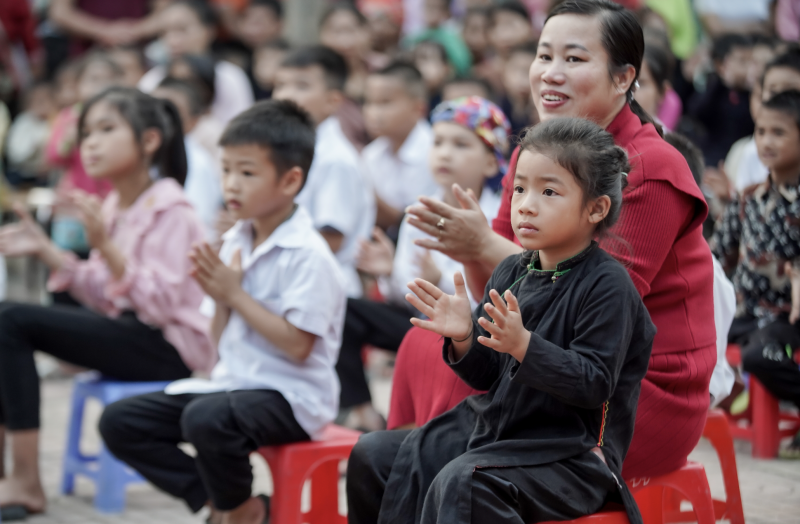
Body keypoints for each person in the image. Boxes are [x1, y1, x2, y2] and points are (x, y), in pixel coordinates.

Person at [404, 0, 715, 480]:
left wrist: (482, 244)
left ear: (622, 78)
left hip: (628, 390)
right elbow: (503, 289)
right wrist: (473, 252)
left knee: (458, 426)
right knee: (427, 345)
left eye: (573, 59)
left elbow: (598, 304)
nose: (550, 73)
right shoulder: (537, 151)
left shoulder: (652, 166)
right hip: (535, 358)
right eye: (544, 56)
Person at [347, 117, 655, 524]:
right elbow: (488, 374)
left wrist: (524, 346)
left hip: (568, 453)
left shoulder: (608, 285)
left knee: (465, 482)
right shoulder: (514, 269)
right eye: (522, 187)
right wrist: (463, 337)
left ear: (596, 208)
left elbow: (594, 383)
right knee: (373, 455)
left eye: (549, 191)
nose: (526, 203)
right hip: (496, 431)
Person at [98, 99, 346, 524]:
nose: (231, 184)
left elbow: (299, 347)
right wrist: (217, 296)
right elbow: (218, 338)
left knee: (207, 418)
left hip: (292, 397)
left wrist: (233, 295)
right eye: (226, 170)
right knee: (121, 422)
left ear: (289, 181)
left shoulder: (308, 255)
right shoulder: (235, 241)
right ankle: (230, 506)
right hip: (233, 384)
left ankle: (232, 511)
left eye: (247, 172)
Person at [0, 87, 214, 521]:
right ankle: (13, 476)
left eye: (106, 129)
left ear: (150, 140)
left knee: (10, 321)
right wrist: (49, 253)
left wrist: (105, 247)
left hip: (165, 347)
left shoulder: (174, 210)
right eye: (85, 133)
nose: (89, 143)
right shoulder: (117, 204)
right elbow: (102, 293)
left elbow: (159, 305)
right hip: (131, 334)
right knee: (7, 322)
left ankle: (25, 480)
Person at [340, 96, 509, 431]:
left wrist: (440, 281)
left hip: (472, 329)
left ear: (491, 162)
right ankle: (361, 410)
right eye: (438, 142)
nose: (445, 153)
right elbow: (402, 291)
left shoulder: (498, 217)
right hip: (420, 318)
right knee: (344, 310)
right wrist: (389, 272)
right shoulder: (420, 211)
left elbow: (494, 292)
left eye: (461, 144)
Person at [712, 90, 800, 457]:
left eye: (778, 132)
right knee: (681, 335)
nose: (765, 141)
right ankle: (717, 402)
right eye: (761, 131)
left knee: (760, 356)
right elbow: (717, 252)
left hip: (785, 319)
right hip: (745, 313)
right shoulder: (747, 198)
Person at [273, 46, 375, 298]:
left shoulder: (335, 160)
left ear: (333, 101)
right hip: (293, 280)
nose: (285, 95)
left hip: (322, 288)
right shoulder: (295, 146)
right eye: (280, 85)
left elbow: (330, 239)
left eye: (301, 86)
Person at [138, 0, 254, 124]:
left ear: (209, 31)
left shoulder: (230, 77)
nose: (172, 41)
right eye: (164, 32)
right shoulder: (152, 80)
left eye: (182, 30)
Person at [362, 61, 437, 232]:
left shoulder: (435, 153)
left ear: (418, 108)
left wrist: (369, 196)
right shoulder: (371, 154)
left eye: (385, 103)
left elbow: (422, 221)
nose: (373, 113)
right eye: (368, 102)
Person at [152, 77, 224, 242]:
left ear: (194, 121)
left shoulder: (197, 163)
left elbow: (197, 221)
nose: (158, 118)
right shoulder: (144, 155)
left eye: (170, 111)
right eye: (152, 109)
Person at [687, 34, 754, 167]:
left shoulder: (752, 94)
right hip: (712, 159)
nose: (747, 68)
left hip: (742, 161)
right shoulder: (714, 86)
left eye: (750, 62)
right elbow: (696, 112)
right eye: (742, 61)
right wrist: (721, 82)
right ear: (720, 65)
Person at [405, 0, 472, 77]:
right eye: (428, 6)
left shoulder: (453, 39)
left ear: (446, 12)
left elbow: (462, 65)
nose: (431, 11)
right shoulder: (413, 37)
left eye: (436, 8)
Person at [499, 41, 539, 139]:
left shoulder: (539, 111)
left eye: (528, 71)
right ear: (504, 71)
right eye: (515, 70)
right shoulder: (497, 107)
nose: (521, 78)